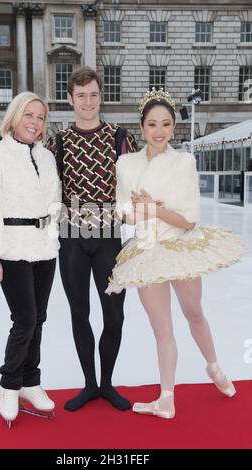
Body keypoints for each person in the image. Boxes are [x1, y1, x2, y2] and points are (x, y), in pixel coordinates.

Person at [106, 88, 246, 419]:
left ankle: (213, 366)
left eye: (166, 124)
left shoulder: (184, 162)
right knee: (162, 329)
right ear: (141, 127)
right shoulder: (125, 164)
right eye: (152, 124)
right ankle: (166, 398)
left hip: (180, 247)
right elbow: (122, 212)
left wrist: (155, 209)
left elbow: (188, 219)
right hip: (145, 252)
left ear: (173, 128)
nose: (159, 131)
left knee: (194, 313)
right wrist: (138, 211)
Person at [0, 92, 61, 428]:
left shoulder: (46, 157)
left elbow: (53, 201)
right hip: (11, 248)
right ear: (15, 116)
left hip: (44, 249)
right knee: (25, 320)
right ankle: (10, 384)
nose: (34, 123)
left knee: (41, 319)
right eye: (29, 115)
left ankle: (30, 382)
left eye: (40, 117)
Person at [46, 67, 138, 411]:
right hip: (71, 236)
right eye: (81, 95)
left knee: (114, 316)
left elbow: (139, 181)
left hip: (109, 236)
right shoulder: (57, 141)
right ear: (70, 99)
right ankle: (88, 384)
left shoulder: (120, 137)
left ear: (102, 97)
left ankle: (107, 384)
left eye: (93, 94)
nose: (88, 101)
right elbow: (42, 187)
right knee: (79, 313)